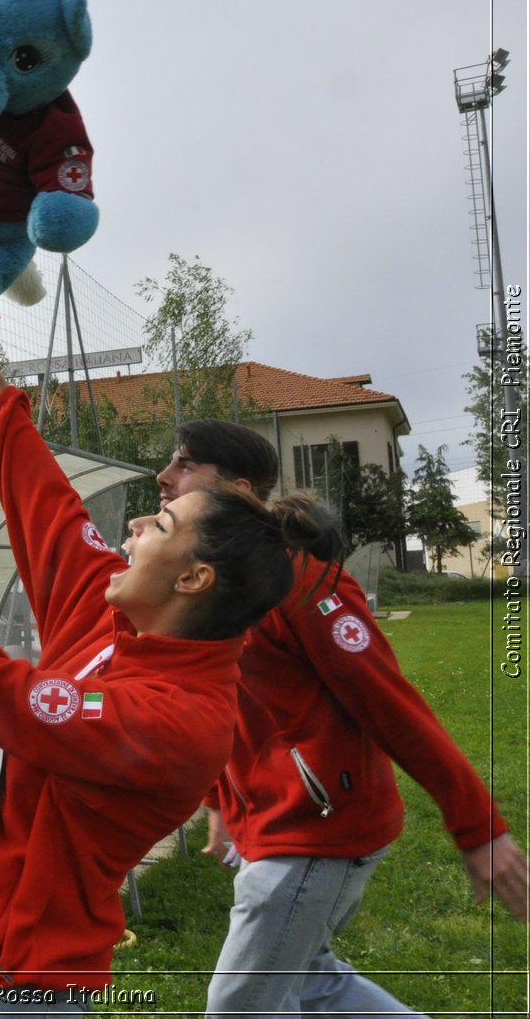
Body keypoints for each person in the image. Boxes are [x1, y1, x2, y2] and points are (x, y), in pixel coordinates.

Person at [0, 303, 340, 1015]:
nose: (138, 521)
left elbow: (2, 692)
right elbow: (50, 513)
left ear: (193, 578)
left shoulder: (181, 719)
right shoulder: (116, 616)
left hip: (25, 977)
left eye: (161, 522)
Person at [146, 418, 530, 1018]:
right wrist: (222, 802)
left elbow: (391, 705)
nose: (164, 478)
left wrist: (478, 825)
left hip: (316, 831)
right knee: (308, 981)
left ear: (240, 489)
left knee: (239, 1006)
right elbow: (225, 701)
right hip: (272, 828)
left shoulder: (303, 582)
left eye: (184, 464)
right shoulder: (215, 583)